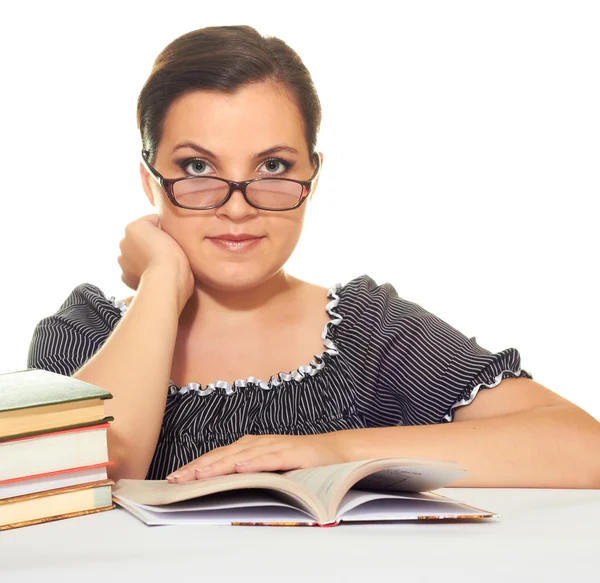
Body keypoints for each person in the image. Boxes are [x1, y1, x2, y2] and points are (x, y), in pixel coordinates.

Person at [27, 25, 600, 489]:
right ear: (150, 180)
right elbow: (78, 480)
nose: (237, 207)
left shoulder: (369, 332)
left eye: (272, 167)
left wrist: (335, 450)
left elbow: (583, 448)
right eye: (198, 168)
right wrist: (161, 282)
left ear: (312, 176)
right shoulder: (84, 334)